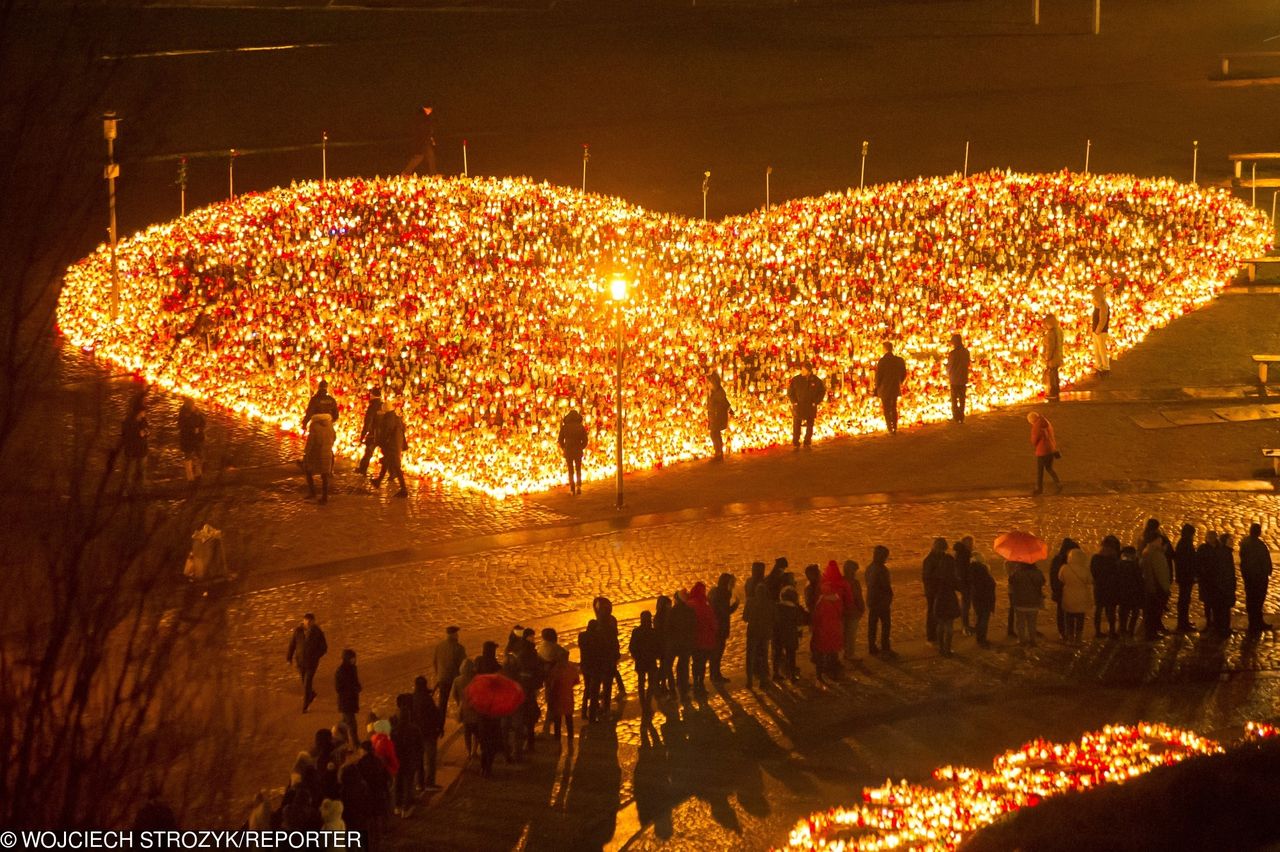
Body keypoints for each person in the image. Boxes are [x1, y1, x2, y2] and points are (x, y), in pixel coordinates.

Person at [812, 561, 853, 679]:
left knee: (824, 645)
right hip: (836, 621)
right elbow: (849, 601)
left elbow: (816, 614)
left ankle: (824, 669)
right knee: (834, 645)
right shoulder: (842, 585)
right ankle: (834, 667)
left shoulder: (821, 593)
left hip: (824, 624)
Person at [287, 613, 329, 713]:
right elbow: (292, 644)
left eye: (311, 621)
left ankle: (305, 706)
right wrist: (289, 657)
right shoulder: (298, 631)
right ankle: (311, 694)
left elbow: (324, 647)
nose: (309, 623)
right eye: (307, 620)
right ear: (304, 621)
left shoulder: (318, 632)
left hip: (312, 663)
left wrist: (316, 656)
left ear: (314, 622)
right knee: (304, 682)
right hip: (300, 662)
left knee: (307, 683)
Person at [391, 695, 423, 818]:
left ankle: (397, 806)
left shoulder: (394, 730)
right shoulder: (414, 729)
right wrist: (417, 758)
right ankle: (406, 807)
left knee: (398, 783)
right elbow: (420, 746)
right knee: (408, 784)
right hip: (409, 761)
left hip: (397, 761)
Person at [1239, 523, 1274, 633]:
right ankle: (1257, 622)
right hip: (1258, 577)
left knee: (1252, 599)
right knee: (1258, 600)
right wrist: (1267, 571)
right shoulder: (1259, 545)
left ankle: (1254, 622)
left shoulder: (1245, 543)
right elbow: (1265, 560)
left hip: (1250, 576)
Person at [370, 397, 409, 497]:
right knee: (386, 462)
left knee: (396, 467)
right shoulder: (396, 417)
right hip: (395, 444)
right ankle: (378, 481)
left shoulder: (388, 419)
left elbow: (385, 433)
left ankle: (404, 489)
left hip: (392, 446)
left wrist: (380, 443)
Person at [544, 642, 579, 746]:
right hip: (568, 697)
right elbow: (576, 681)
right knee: (569, 719)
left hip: (557, 697)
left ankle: (557, 739)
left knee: (557, 720)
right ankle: (570, 738)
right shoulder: (571, 668)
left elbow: (551, 683)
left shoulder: (555, 670)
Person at [411, 676, 442, 791]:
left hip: (417, 733)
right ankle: (429, 783)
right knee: (430, 759)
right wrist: (439, 728)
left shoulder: (414, 697)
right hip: (428, 733)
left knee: (419, 759)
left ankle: (419, 783)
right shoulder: (427, 699)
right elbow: (435, 715)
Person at [707, 573, 739, 683]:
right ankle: (715, 675)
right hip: (720, 628)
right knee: (717, 653)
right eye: (731, 583)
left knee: (716, 653)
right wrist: (735, 605)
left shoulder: (716, 592)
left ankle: (715, 674)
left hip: (716, 627)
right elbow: (724, 612)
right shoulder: (723, 595)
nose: (733, 585)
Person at [921, 538, 953, 644]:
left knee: (940, 613)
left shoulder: (943, 558)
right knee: (932, 613)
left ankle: (937, 633)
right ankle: (932, 635)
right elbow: (927, 577)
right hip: (933, 591)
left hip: (941, 590)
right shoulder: (929, 560)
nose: (941, 551)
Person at [787, 360, 826, 448]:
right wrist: (794, 402)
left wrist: (815, 402)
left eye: (804, 370)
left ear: (809, 371)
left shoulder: (816, 381)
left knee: (810, 424)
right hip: (799, 405)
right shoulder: (796, 379)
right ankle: (796, 441)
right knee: (797, 424)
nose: (802, 372)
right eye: (802, 370)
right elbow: (790, 392)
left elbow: (822, 392)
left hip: (810, 405)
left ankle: (807, 441)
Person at [1140, 536, 1172, 640]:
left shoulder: (1152, 552)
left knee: (1154, 611)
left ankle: (1152, 631)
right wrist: (1164, 587)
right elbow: (1157, 572)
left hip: (1155, 585)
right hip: (1156, 586)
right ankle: (1151, 633)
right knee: (1153, 611)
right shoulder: (1153, 554)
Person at [688, 581, 718, 691]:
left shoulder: (689, 605)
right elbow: (714, 625)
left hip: (694, 640)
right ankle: (700, 682)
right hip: (706, 641)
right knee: (702, 663)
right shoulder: (706, 607)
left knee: (695, 662)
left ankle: (695, 681)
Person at [593, 597, 625, 699]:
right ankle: (619, 689)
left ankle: (620, 689)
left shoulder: (605, 621)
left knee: (612, 670)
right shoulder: (611, 619)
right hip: (611, 650)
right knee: (612, 670)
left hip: (609, 650)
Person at [743, 583, 774, 687]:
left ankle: (749, 680)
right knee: (763, 656)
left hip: (752, 632)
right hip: (765, 633)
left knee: (750, 656)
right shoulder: (770, 603)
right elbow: (775, 619)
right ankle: (763, 680)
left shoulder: (750, 602)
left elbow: (745, 618)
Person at [865, 545, 894, 656]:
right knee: (885, 625)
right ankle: (885, 647)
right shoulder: (880, 569)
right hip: (881, 601)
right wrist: (888, 596)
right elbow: (884, 586)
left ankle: (872, 647)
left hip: (873, 600)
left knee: (873, 625)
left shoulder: (870, 568)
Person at [303, 408, 336, 505]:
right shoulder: (330, 425)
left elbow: (311, 441)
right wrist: (329, 445)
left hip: (316, 452)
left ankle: (312, 492)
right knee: (325, 475)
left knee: (308, 471)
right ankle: (324, 497)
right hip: (327, 452)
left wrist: (306, 452)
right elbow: (334, 437)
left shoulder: (314, 425)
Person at [1008, 561, 1045, 646]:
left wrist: (1014, 570)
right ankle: (1032, 640)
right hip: (1034, 601)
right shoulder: (1037, 572)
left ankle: (1022, 640)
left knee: (1020, 623)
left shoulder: (1017, 573)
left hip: (1020, 602)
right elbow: (1043, 582)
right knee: (1032, 623)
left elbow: (1011, 581)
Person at [1060, 548, 1093, 644]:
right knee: (1080, 618)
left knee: (1069, 617)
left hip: (1068, 595)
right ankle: (1078, 638)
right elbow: (1089, 581)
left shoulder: (1064, 568)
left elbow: (1061, 578)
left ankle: (1070, 638)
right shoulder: (1085, 569)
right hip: (1081, 596)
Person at [433, 626, 467, 718]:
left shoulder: (439, 646)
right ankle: (464, 719)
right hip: (454, 678)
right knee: (462, 699)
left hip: (442, 678)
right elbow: (463, 665)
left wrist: (439, 675)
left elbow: (435, 662)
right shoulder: (459, 648)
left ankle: (440, 724)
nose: (458, 635)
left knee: (442, 703)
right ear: (454, 635)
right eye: (456, 634)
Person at [1091, 535, 1121, 638]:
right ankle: (1112, 631)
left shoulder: (1096, 558)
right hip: (1112, 587)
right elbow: (1118, 573)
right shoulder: (1114, 558)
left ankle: (1097, 631)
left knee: (1099, 609)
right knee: (1111, 610)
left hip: (1099, 587)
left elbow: (1093, 572)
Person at [629, 611, 660, 710]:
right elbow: (657, 646)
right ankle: (648, 700)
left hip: (640, 661)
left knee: (641, 682)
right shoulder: (654, 632)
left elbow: (632, 647)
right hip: (651, 661)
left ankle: (643, 702)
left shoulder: (636, 631)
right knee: (651, 682)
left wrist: (636, 656)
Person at [874, 341, 907, 434]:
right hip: (895, 387)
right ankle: (895, 428)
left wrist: (877, 386)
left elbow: (878, 376)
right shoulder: (899, 360)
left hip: (884, 388)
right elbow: (904, 374)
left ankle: (890, 428)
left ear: (884, 349)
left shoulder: (882, 361)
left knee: (886, 409)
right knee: (893, 407)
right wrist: (899, 382)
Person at [1049, 538, 1079, 640]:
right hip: (1063, 590)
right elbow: (1054, 576)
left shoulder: (1058, 559)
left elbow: (1052, 576)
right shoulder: (1061, 560)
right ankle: (1064, 632)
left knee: (1067, 612)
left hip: (1067, 590)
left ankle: (1067, 632)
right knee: (1063, 612)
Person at [120, 391, 149, 495]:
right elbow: (126, 435)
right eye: (143, 412)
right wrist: (139, 433)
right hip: (132, 450)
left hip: (142, 449)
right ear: (139, 412)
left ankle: (140, 489)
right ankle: (126, 491)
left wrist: (145, 432)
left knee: (142, 471)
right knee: (130, 472)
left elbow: (146, 430)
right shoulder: (129, 422)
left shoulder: (142, 420)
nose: (144, 414)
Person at [1209, 533, 1237, 638]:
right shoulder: (1225, 553)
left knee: (1221, 608)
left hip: (1221, 586)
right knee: (1224, 609)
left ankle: (1221, 628)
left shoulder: (1222, 552)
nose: (1232, 542)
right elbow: (1226, 571)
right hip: (1224, 586)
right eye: (1230, 540)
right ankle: (1223, 629)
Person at [932, 553, 961, 657]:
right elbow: (958, 587)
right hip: (950, 600)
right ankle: (947, 648)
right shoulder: (952, 575)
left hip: (939, 599)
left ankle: (941, 647)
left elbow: (932, 587)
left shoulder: (937, 573)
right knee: (949, 625)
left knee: (940, 624)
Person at [578, 620, 607, 722]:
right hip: (596, 667)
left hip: (585, 665)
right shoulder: (599, 637)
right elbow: (602, 650)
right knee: (594, 691)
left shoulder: (582, 636)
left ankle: (583, 711)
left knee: (587, 688)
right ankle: (592, 716)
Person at [1172, 524, 1199, 633]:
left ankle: (1184, 621)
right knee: (1184, 600)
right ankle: (1182, 623)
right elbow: (1189, 561)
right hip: (1186, 577)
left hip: (1183, 576)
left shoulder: (1182, 542)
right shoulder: (1186, 544)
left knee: (1184, 600)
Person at [1027, 411, 1061, 495]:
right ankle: (1058, 484)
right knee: (1049, 468)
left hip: (1042, 451)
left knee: (1040, 471)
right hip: (1050, 449)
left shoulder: (1036, 427)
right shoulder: (1046, 422)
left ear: (1032, 420)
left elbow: (1034, 440)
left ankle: (1039, 489)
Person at [773, 585, 802, 681]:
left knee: (777, 654)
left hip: (778, 634)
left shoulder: (776, 607)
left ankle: (776, 673)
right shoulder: (795, 609)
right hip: (790, 635)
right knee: (791, 655)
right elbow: (798, 623)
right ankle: (792, 675)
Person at [556, 409, 588, 495]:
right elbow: (585, 440)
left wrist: (564, 447)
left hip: (568, 450)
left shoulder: (565, 427)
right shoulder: (580, 427)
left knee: (570, 470)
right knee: (578, 469)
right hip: (578, 450)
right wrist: (581, 447)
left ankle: (572, 488)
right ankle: (579, 486)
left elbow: (560, 439)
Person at [1196, 531, 1222, 633]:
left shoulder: (1219, 549)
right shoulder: (1203, 549)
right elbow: (1198, 563)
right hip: (1206, 581)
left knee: (1216, 603)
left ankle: (1216, 622)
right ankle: (1209, 622)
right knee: (1208, 603)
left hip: (1216, 580)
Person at [401, 105, 438, 176]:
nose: (430, 110)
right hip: (421, 142)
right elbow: (420, 130)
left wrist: (431, 138)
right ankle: (406, 172)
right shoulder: (421, 117)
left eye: (431, 109)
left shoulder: (429, 117)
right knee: (419, 157)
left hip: (426, 141)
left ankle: (433, 173)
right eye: (428, 109)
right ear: (424, 108)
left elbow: (429, 130)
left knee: (430, 156)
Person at [842, 560, 866, 662]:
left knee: (847, 633)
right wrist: (861, 609)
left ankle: (847, 652)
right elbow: (858, 597)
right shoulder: (853, 583)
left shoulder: (844, 582)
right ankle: (849, 653)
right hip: (851, 612)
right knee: (850, 634)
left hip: (848, 611)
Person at [969, 553, 996, 647]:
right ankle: (982, 639)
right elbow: (991, 588)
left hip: (977, 599)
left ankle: (979, 638)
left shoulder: (973, 575)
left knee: (979, 618)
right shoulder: (986, 577)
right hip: (985, 600)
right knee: (984, 620)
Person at [177, 398, 206, 484]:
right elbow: (181, 426)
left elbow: (203, 422)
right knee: (188, 456)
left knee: (199, 456)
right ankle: (190, 477)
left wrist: (199, 429)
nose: (194, 406)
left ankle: (198, 473)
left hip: (197, 438)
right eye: (192, 405)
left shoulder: (197, 412)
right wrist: (192, 430)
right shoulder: (183, 414)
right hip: (187, 439)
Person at [1116, 546, 1144, 636]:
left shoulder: (1119, 564)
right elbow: (1140, 580)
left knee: (1123, 612)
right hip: (1133, 593)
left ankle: (1122, 629)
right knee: (1134, 612)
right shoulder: (1135, 565)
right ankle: (1130, 630)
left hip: (1122, 593)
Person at [706, 373, 733, 460]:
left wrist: (730, 410)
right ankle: (718, 452)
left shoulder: (719, 392)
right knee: (715, 434)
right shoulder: (713, 392)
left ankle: (718, 453)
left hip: (717, 416)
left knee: (714, 434)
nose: (708, 384)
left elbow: (724, 402)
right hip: (713, 415)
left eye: (709, 382)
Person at [356, 388, 383, 475]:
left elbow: (368, 422)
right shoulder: (383, 406)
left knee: (368, 452)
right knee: (387, 453)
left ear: (372, 395)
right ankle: (392, 472)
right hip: (384, 433)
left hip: (373, 434)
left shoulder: (372, 407)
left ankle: (362, 468)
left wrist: (363, 435)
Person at [335, 649, 361, 738]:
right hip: (345, 701)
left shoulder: (353, 668)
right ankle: (356, 744)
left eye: (354, 658)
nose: (354, 660)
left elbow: (355, 680)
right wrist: (351, 689)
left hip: (352, 699)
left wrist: (358, 686)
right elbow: (338, 688)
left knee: (345, 722)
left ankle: (340, 738)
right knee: (352, 724)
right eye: (352, 658)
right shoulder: (340, 671)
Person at [946, 334, 970, 424]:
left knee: (954, 399)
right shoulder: (966, 352)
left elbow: (950, 366)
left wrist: (948, 372)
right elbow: (968, 363)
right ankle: (961, 417)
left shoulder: (953, 354)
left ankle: (956, 417)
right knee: (962, 398)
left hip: (955, 379)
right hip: (963, 378)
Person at [954, 536, 975, 635]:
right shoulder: (965, 554)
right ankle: (965, 626)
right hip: (965, 583)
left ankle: (965, 625)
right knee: (966, 605)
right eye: (970, 543)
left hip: (962, 582)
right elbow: (965, 570)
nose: (972, 545)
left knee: (965, 604)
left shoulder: (959, 553)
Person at [1090, 285, 1111, 376]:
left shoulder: (1103, 305)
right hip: (1096, 331)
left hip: (1101, 331)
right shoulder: (1097, 304)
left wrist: (1098, 330)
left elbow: (1103, 319)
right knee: (1097, 350)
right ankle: (1099, 366)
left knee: (1102, 350)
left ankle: (1105, 367)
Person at [1042, 313, 1063, 400]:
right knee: (1055, 374)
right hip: (1058, 356)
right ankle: (1056, 391)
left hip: (1052, 359)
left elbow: (1050, 347)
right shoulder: (1059, 331)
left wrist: (1047, 357)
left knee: (1052, 376)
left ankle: (1053, 392)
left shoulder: (1050, 334)